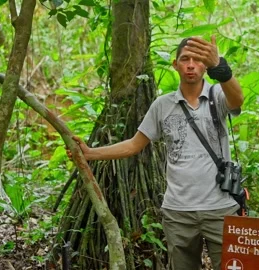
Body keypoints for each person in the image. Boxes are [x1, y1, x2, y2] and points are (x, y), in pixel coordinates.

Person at [71, 35, 244, 270]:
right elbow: (134, 144)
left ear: (205, 65)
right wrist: (90, 153)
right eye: (185, 59)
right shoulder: (163, 105)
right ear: (175, 65)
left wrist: (220, 67)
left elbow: (237, 99)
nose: (191, 64)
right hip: (178, 212)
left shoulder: (217, 96)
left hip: (221, 208)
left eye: (197, 59)